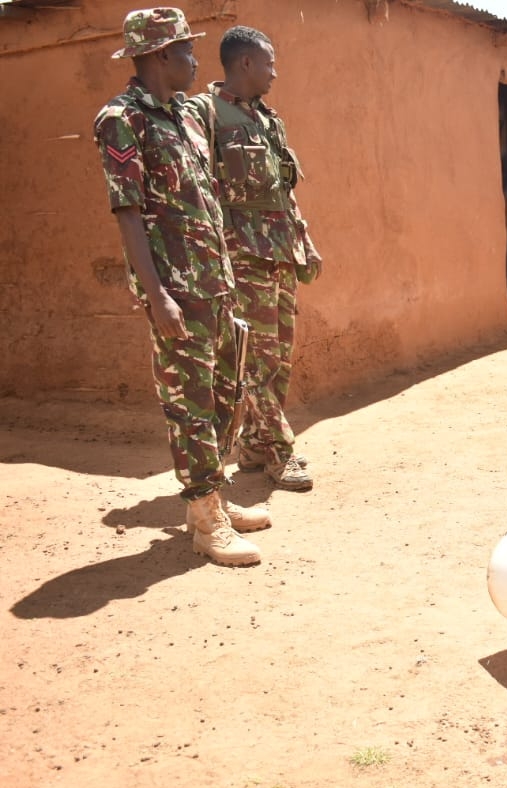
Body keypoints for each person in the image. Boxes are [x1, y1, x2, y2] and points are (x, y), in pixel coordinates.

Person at [93, 7, 267, 566]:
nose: (196, 60)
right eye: (188, 50)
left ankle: (210, 501)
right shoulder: (122, 119)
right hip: (177, 291)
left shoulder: (186, 117)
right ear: (162, 54)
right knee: (188, 404)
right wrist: (158, 296)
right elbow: (128, 212)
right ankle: (206, 520)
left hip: (214, 282)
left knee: (223, 395)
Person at [191, 25, 322, 492]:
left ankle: (254, 445)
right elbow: (196, 189)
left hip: (280, 252)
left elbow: (283, 191)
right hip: (242, 255)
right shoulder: (205, 113)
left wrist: (304, 240)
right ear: (245, 63)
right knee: (258, 362)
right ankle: (280, 452)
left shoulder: (268, 120)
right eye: (269, 63)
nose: (274, 72)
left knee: (279, 358)